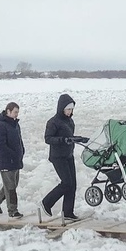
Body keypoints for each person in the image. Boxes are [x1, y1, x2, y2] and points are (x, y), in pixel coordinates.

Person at [41, 93, 81, 221]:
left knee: (73, 184)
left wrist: (76, 139)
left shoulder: (70, 121)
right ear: (61, 108)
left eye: (71, 109)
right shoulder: (53, 122)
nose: (70, 112)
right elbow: (48, 139)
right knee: (66, 183)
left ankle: (68, 212)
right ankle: (47, 202)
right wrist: (63, 140)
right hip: (58, 157)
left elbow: (69, 137)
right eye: (68, 109)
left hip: (69, 155)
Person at [0, 102, 25, 218]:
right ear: (8, 111)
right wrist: (13, 154)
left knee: (13, 184)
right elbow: (1, 145)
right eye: (15, 112)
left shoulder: (15, 124)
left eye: (17, 112)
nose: (16, 115)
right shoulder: (1, 125)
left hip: (16, 160)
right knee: (10, 188)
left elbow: (19, 139)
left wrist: (22, 150)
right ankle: (13, 211)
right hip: (6, 161)